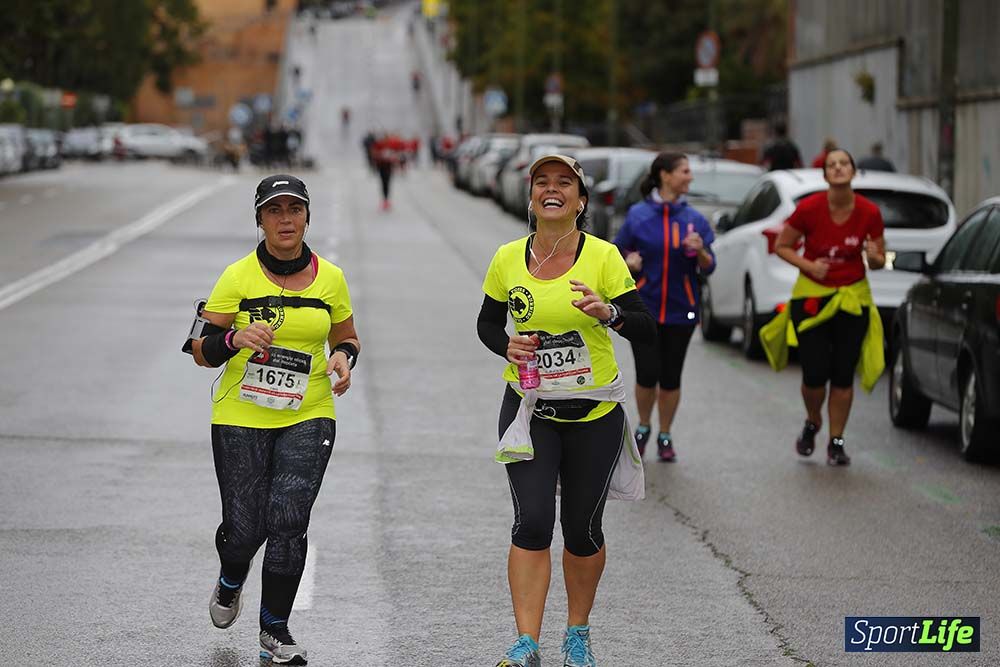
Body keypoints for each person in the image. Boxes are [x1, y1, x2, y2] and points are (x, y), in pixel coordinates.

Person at [478, 154, 655, 667]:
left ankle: (577, 633)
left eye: (564, 183)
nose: (550, 189)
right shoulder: (508, 258)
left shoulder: (603, 257)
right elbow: (488, 325)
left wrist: (611, 313)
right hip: (530, 410)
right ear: (531, 197)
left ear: (580, 200)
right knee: (532, 523)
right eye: (541, 182)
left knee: (582, 530)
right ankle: (526, 642)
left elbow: (645, 326)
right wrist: (507, 346)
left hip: (594, 413)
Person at [188, 174, 360, 664]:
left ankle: (275, 630)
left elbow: (347, 338)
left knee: (288, 517)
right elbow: (200, 350)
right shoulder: (236, 277)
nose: (286, 220)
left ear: (307, 217)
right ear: (260, 219)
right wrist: (234, 340)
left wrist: (344, 358)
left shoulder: (331, 278)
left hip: (309, 410)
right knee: (244, 529)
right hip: (241, 411)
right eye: (274, 211)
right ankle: (230, 580)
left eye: (295, 210)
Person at [760, 149, 886, 465]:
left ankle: (836, 441)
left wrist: (873, 257)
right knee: (814, 376)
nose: (839, 168)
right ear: (826, 175)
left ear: (853, 172)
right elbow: (782, 246)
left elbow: (879, 260)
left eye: (845, 163)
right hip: (812, 298)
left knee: (843, 376)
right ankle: (813, 420)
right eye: (833, 165)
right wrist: (809, 266)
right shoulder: (810, 209)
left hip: (852, 299)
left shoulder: (870, 212)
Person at [612, 152, 717, 462]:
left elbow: (709, 267)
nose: (690, 177)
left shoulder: (694, 219)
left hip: (681, 309)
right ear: (665, 175)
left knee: (671, 376)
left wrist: (700, 252)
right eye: (685, 171)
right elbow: (616, 256)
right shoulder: (638, 215)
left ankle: (666, 433)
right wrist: (629, 263)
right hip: (643, 309)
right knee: (647, 374)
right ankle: (644, 426)